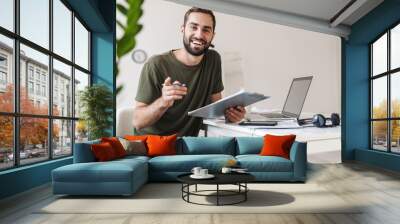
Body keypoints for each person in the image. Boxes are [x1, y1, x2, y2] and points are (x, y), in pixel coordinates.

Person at [133, 7, 246, 136]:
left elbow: (216, 108)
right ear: (183, 29)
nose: (199, 35)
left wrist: (230, 115)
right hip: (152, 146)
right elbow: (137, 121)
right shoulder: (156, 64)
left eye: (206, 30)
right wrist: (163, 102)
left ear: (212, 35)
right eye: (193, 27)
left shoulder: (213, 59)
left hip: (187, 146)